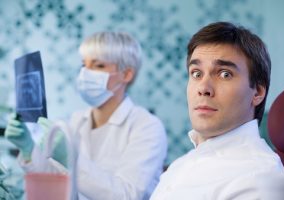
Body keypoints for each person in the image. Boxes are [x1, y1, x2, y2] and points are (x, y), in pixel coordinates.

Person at [5, 31, 168, 199]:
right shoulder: (77, 120)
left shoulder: (147, 126)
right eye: (84, 65)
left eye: (98, 66)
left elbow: (128, 195)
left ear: (126, 74)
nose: (85, 73)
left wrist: (70, 158)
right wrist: (28, 150)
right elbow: (57, 180)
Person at [150, 22, 284, 200]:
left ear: (257, 92)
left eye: (224, 74)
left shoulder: (258, 178)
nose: (203, 88)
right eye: (196, 73)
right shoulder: (181, 164)